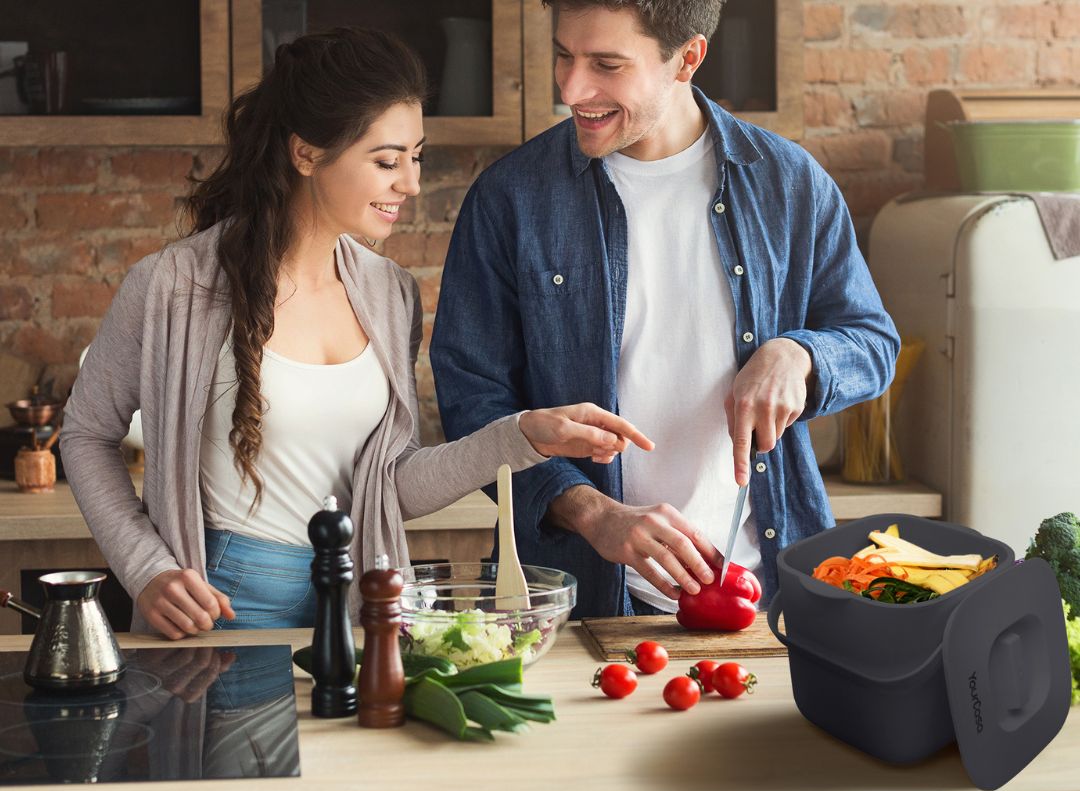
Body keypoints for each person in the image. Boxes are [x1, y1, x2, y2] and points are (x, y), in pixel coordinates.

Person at [61, 27, 652, 640]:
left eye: (415, 157)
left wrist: (523, 435)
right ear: (307, 154)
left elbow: (389, 486)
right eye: (386, 161)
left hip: (362, 604)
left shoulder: (389, 293)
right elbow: (85, 435)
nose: (411, 184)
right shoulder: (172, 286)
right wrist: (146, 568)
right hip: (224, 604)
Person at [430, 0, 900, 618]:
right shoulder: (510, 199)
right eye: (563, 56)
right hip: (582, 601)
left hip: (768, 597)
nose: (572, 88)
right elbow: (472, 402)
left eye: (607, 64)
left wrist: (800, 355)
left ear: (688, 59)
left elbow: (872, 341)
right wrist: (593, 512)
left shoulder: (790, 183)